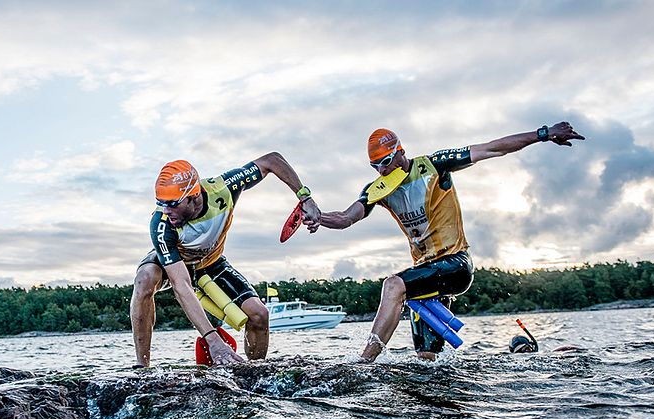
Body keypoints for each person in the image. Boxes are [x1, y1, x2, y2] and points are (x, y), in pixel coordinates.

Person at [305, 122, 585, 361]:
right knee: (428, 362)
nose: (382, 171)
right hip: (425, 278)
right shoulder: (378, 189)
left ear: (400, 152)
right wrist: (319, 217)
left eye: (386, 162)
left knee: (393, 284)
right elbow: (345, 217)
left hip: (455, 264)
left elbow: (492, 148)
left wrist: (543, 133)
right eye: (375, 166)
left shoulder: (434, 165)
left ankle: (364, 362)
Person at [132, 154, 321, 367]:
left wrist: (304, 197)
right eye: (161, 203)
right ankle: (142, 367)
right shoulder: (161, 223)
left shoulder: (225, 188)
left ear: (194, 197)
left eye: (173, 204)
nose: (166, 211)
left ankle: (254, 373)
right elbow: (181, 285)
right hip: (175, 265)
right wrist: (213, 341)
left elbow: (272, 161)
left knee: (259, 314)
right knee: (145, 278)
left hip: (211, 263)